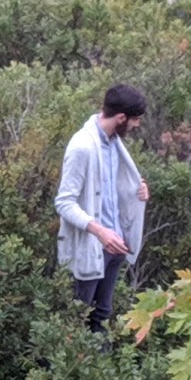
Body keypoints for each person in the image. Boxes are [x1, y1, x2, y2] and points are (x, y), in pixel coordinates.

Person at [54, 84, 151, 332]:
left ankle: (101, 368)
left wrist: (138, 190)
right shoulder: (82, 146)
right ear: (121, 118)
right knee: (77, 319)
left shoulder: (114, 143)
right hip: (92, 247)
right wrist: (100, 231)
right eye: (134, 120)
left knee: (102, 318)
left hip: (116, 245)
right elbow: (64, 202)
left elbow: (112, 186)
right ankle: (70, 370)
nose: (136, 126)